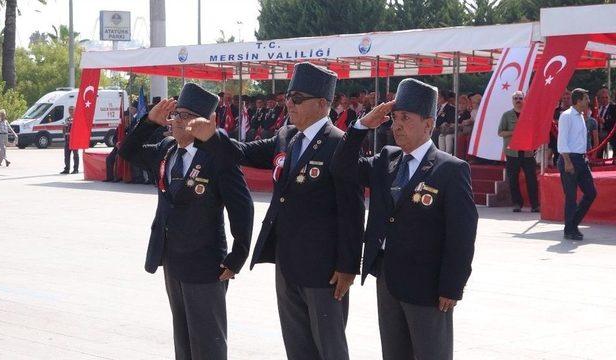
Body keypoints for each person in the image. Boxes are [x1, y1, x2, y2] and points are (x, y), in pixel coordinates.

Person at [189, 62, 363, 360]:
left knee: (330, 347)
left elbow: (353, 210)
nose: (289, 104)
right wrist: (212, 136)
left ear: (322, 104)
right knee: (297, 345)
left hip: (324, 268)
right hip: (287, 261)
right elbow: (242, 152)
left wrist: (348, 266)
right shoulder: (287, 137)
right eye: (287, 97)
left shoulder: (339, 144)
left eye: (297, 99)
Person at [335, 78, 478, 360]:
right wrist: (362, 125)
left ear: (428, 124)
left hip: (428, 284)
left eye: (406, 118)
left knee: (430, 354)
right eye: (395, 117)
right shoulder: (386, 160)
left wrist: (452, 286)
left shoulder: (450, 169)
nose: (396, 125)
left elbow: (461, 235)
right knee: (394, 353)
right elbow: (341, 167)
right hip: (387, 277)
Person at [119, 83, 253, 360]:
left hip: (206, 263)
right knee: (183, 341)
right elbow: (127, 152)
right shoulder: (167, 150)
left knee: (208, 343)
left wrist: (237, 255)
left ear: (200, 123)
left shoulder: (217, 155)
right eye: (174, 115)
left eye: (183, 116)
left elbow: (242, 206)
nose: (175, 121)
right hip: (172, 259)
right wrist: (148, 122)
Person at [557, 88, 597, 241]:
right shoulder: (566, 116)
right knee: (571, 197)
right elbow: (562, 141)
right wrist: (567, 162)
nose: (588, 101)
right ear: (578, 100)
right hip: (570, 160)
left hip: (581, 159)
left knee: (591, 193)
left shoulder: (581, 115)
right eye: (586, 98)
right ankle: (569, 230)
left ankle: (572, 224)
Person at [497, 91, 540, 212]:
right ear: (512, 101)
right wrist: (515, 132)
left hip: (527, 152)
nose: (518, 100)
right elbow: (500, 132)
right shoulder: (506, 115)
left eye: (520, 98)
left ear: (524, 99)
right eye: (515, 98)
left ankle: (535, 205)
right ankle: (517, 203)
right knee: (513, 179)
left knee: (531, 179)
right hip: (512, 153)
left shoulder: (529, 114)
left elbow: (535, 131)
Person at [595, 88, 616, 158]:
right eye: (602, 98)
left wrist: (604, 122)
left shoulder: (613, 108)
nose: (604, 100)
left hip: (610, 132)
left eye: (606, 97)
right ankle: (597, 158)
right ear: (599, 99)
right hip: (597, 131)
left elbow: (613, 121)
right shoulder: (596, 108)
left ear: (609, 98)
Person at [61, 106, 79, 174]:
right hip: (67, 139)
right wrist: (63, 135)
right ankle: (67, 169)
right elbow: (64, 127)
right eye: (69, 110)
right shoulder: (67, 119)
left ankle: (76, 169)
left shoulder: (77, 119)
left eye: (72, 110)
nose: (70, 111)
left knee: (75, 155)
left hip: (74, 140)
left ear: (75, 110)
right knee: (66, 155)